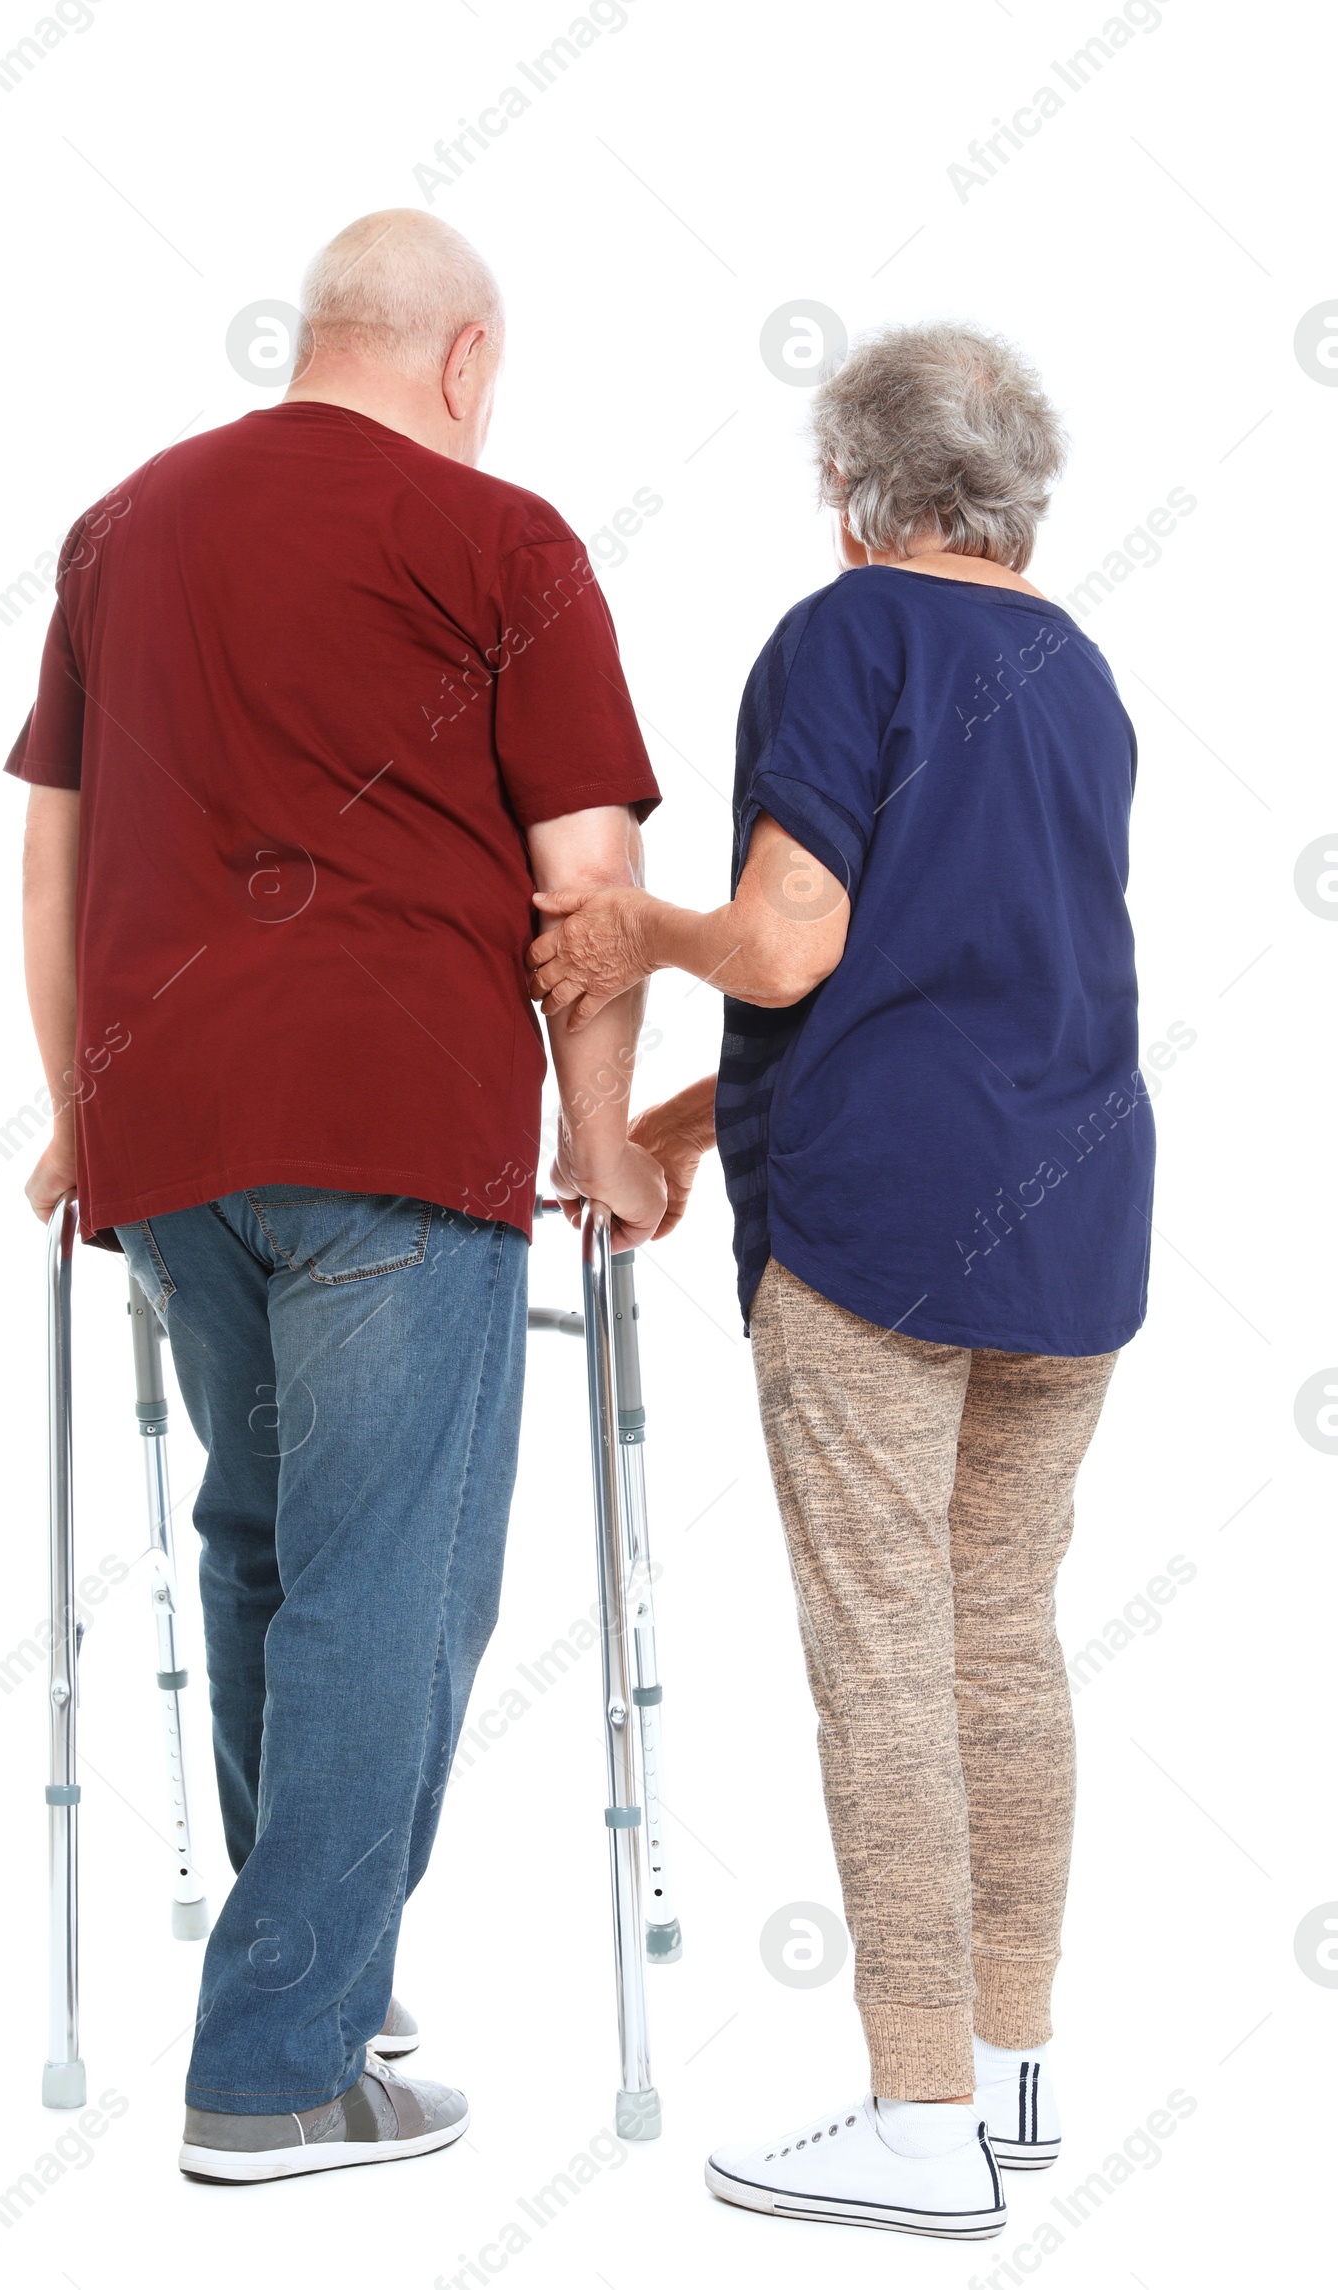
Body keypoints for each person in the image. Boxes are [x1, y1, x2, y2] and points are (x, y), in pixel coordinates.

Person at [9, 209, 666, 2184]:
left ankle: (325, 1972)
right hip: (394, 1117)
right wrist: (603, 1133)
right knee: (392, 1581)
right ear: (463, 361)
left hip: (175, 1136)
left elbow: (50, 866)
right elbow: (590, 872)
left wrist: (79, 1114)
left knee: (268, 1548)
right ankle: (280, 2065)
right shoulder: (498, 536)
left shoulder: (120, 527)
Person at [528, 321, 1154, 2240]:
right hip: (1072, 1215)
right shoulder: (1081, 671)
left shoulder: (848, 633)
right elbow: (938, 973)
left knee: (885, 1652)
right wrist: (706, 1123)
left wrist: (631, 921)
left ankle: (912, 2119)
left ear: (857, 488)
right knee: (999, 1642)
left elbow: (796, 944)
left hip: (885, 1228)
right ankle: (1014, 2073)